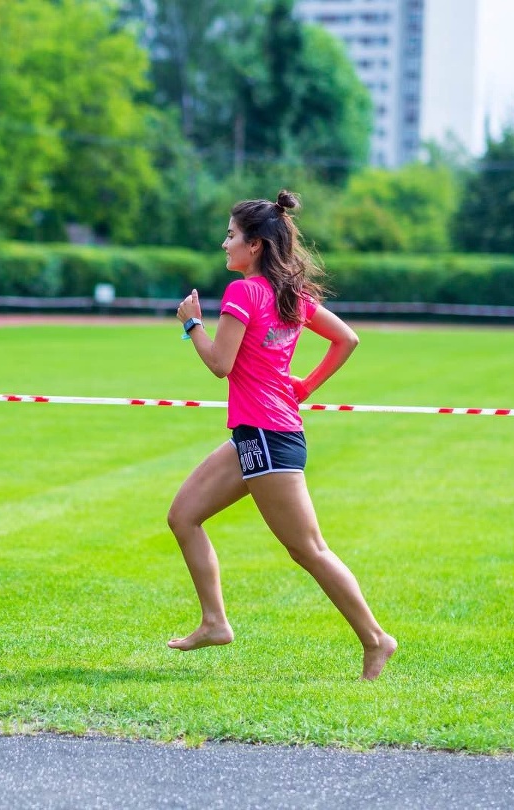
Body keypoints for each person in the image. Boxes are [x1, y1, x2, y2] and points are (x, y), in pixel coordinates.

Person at [167, 190, 396, 681]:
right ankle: (214, 622)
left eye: (231, 235)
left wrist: (191, 326)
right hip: (257, 435)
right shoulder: (290, 295)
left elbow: (219, 364)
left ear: (255, 246)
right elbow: (347, 339)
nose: (224, 243)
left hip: (269, 438)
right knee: (184, 516)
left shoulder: (244, 293)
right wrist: (306, 387)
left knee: (308, 549)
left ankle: (377, 640)